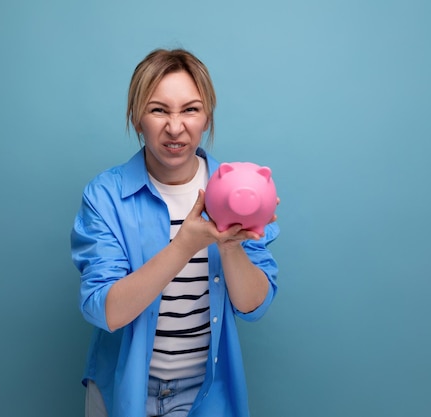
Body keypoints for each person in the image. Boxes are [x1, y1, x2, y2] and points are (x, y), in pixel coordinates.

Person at [71, 48, 280, 417]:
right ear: (137, 118)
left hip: (207, 388)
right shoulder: (105, 196)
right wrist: (184, 246)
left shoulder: (240, 191)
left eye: (190, 109)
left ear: (207, 117)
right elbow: (104, 310)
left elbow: (253, 306)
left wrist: (230, 246)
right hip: (122, 387)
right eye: (158, 110)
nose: (175, 126)